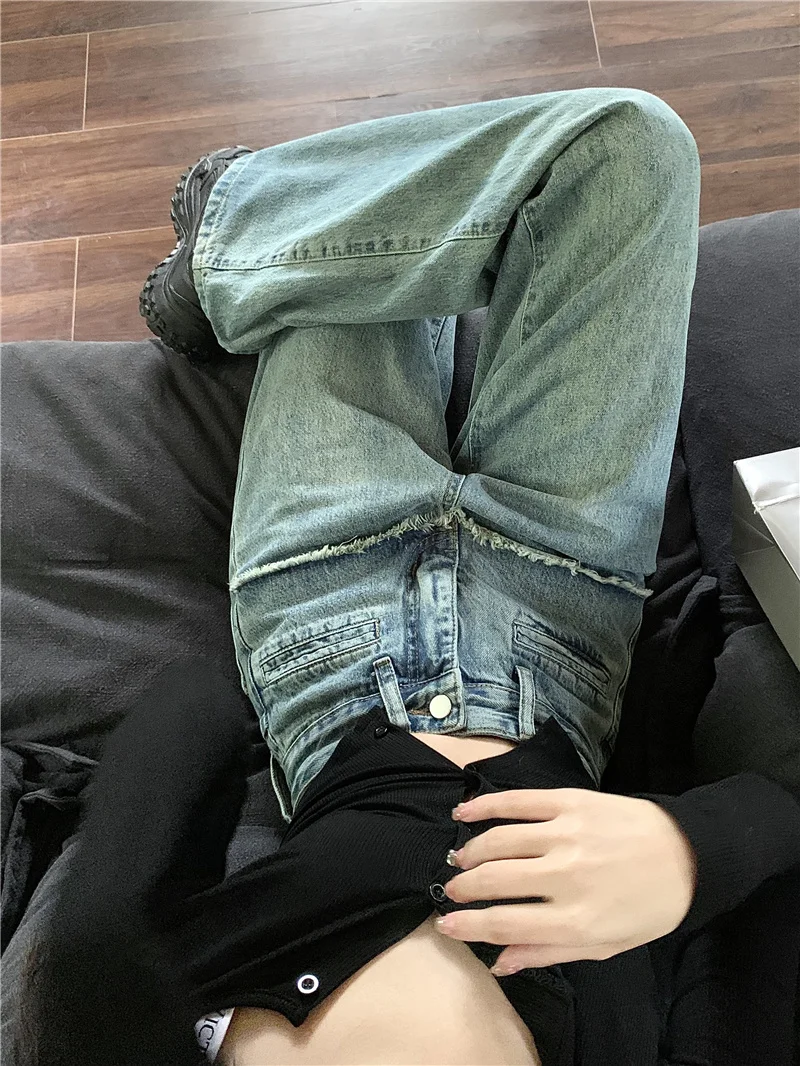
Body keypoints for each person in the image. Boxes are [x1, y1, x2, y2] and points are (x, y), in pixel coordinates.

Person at [27, 88, 800, 1066]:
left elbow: (187, 720)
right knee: (630, 148)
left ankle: (245, 237)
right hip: (567, 601)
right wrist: (695, 851)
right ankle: (248, 227)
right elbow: (773, 837)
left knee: (370, 268)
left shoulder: (119, 1032)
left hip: (325, 598)